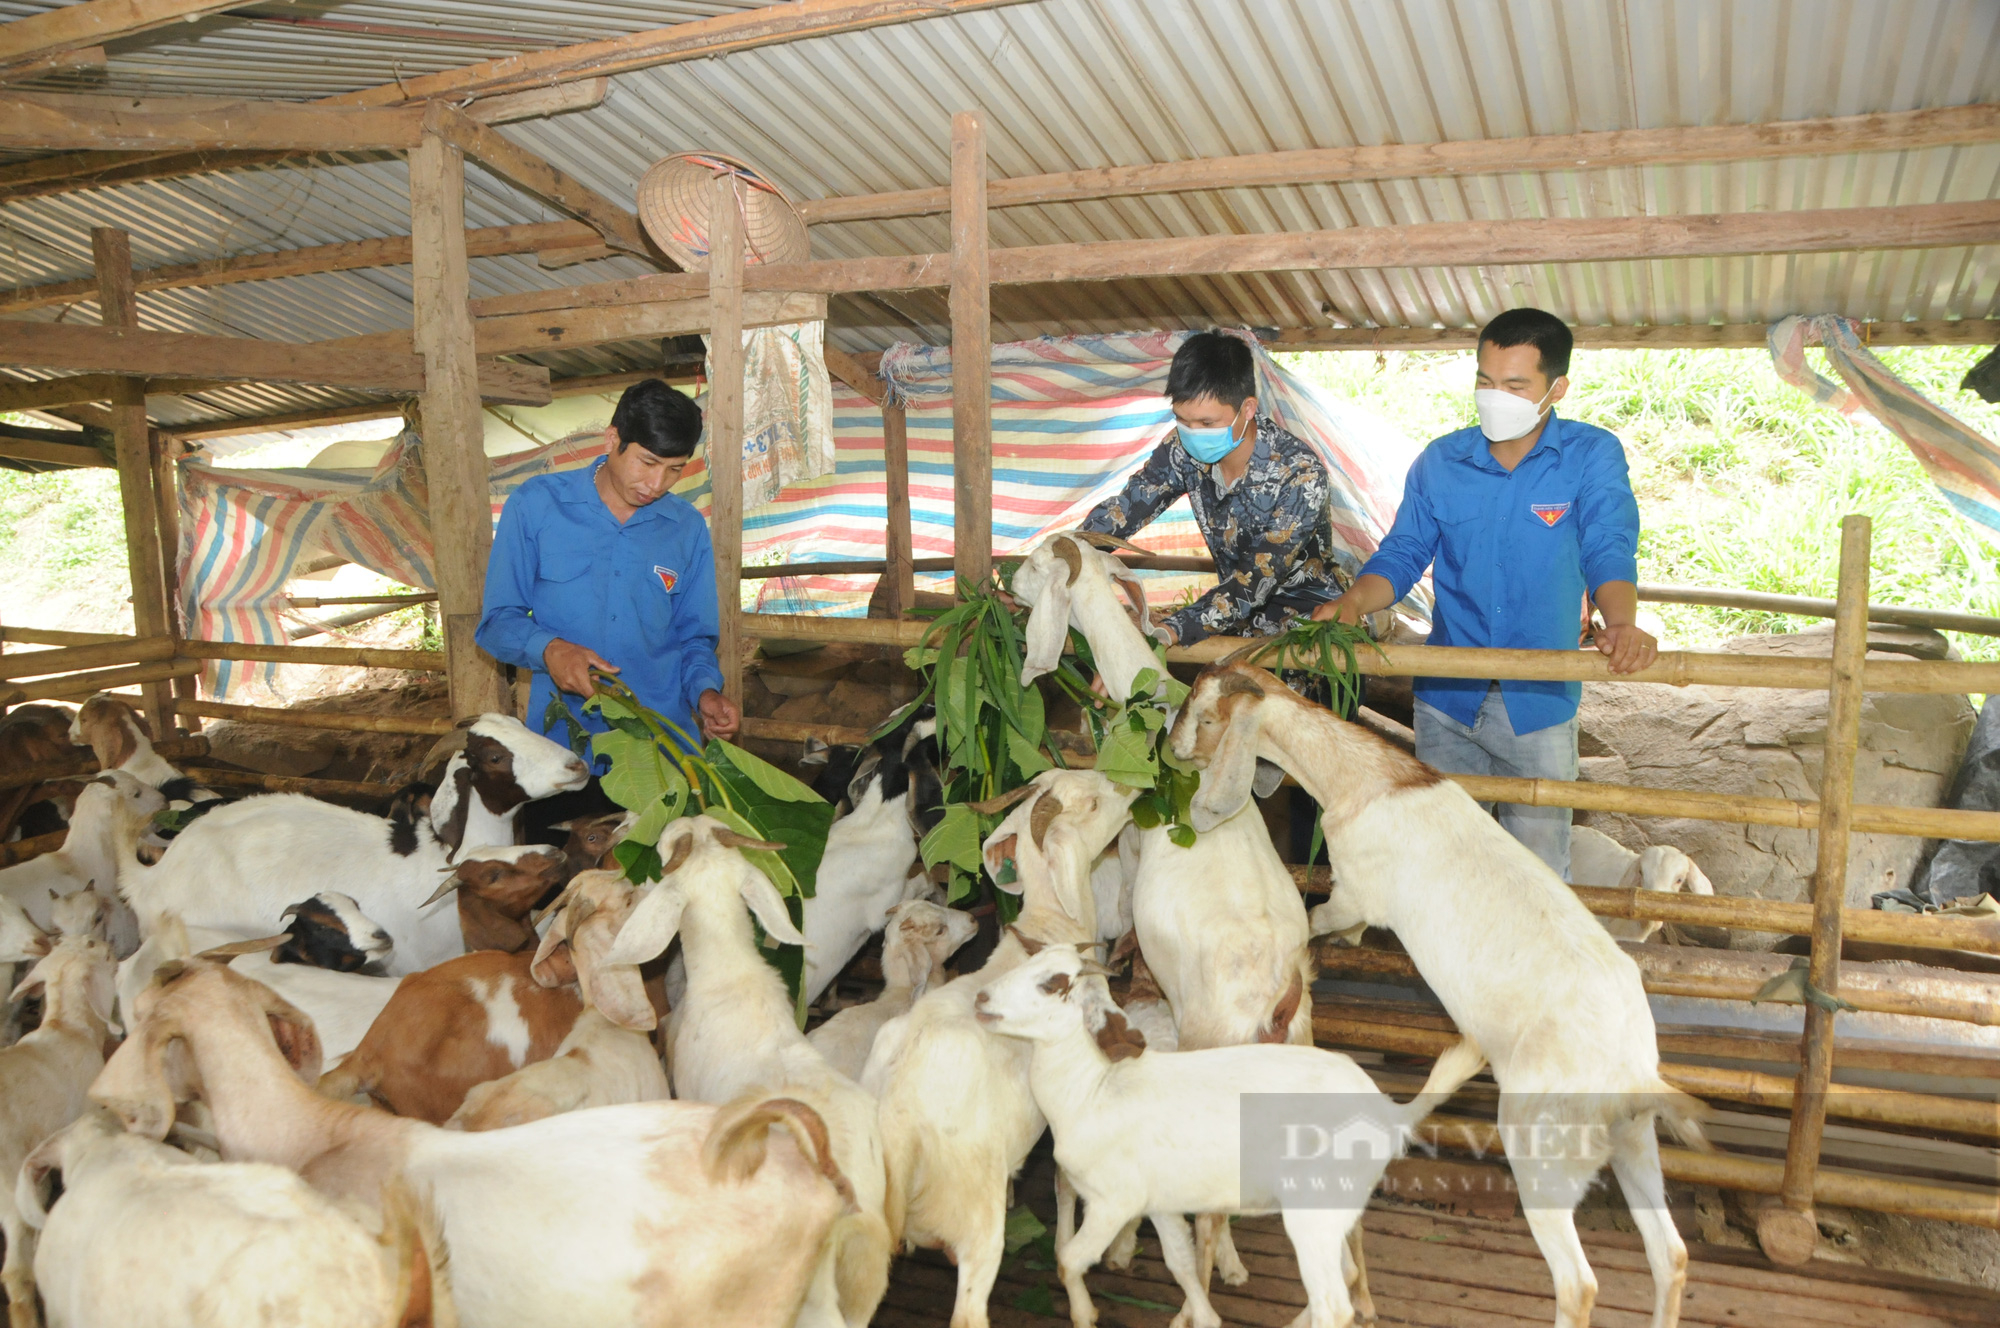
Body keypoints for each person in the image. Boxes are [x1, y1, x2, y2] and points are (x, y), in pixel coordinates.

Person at [1313, 308, 1657, 879]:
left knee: (1539, 872)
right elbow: (1401, 554)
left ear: (1556, 388)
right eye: (1485, 380)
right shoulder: (1441, 462)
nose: (1496, 396)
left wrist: (1619, 622)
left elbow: (1609, 545)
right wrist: (1354, 601)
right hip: (1448, 700)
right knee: (1446, 864)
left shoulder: (1591, 456)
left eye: (1516, 385)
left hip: (1540, 705)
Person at [477, 378, 741, 758]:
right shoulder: (536, 506)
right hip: (563, 752)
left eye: (674, 470)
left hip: (662, 748)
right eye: (648, 462)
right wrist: (550, 649)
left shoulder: (686, 527)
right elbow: (497, 623)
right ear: (612, 439)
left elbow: (695, 638)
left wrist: (705, 691)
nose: (656, 484)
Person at [1078, 330, 1346, 647]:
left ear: (1247, 409)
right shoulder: (1180, 452)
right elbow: (1125, 510)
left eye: (1207, 424)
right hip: (1237, 626)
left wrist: (1173, 628)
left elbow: (1256, 579)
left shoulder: (1299, 474)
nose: (1192, 434)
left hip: (1312, 632)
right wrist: (1061, 560)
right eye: (1182, 420)